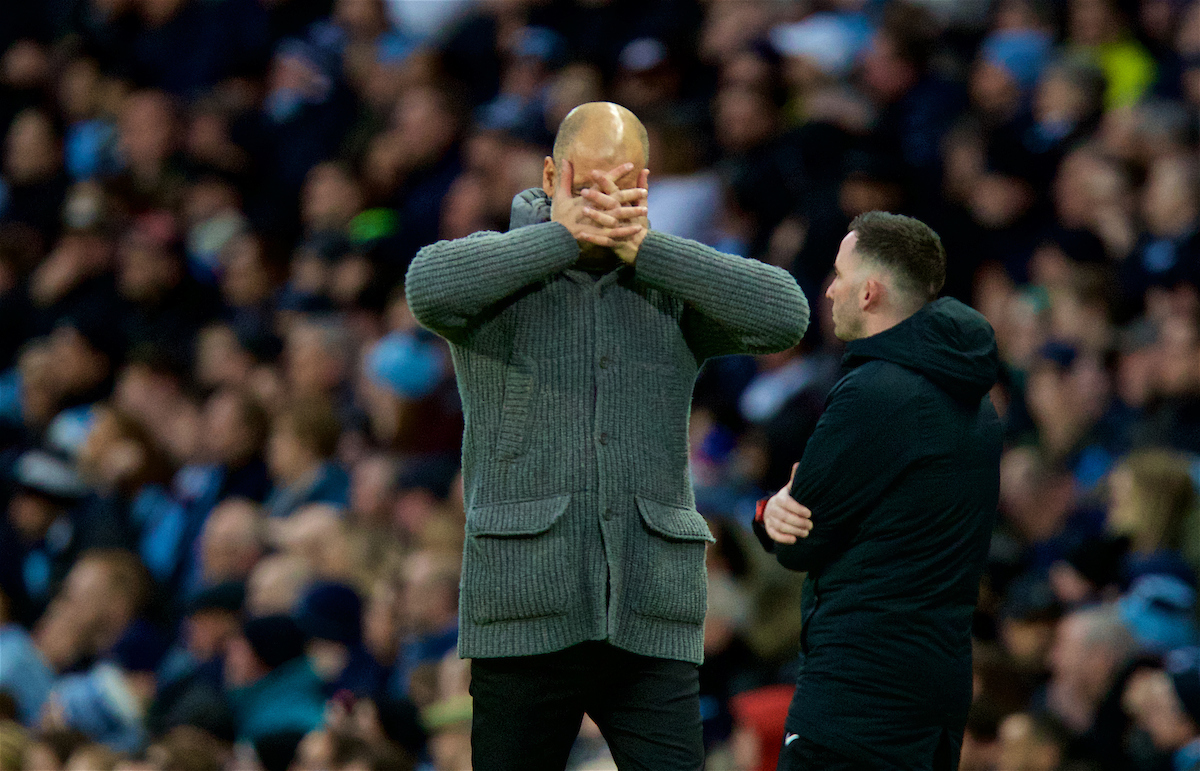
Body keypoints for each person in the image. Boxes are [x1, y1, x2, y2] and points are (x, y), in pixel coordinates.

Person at [405, 101, 809, 770]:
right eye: (585, 182)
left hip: (650, 606)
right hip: (524, 603)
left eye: (621, 184)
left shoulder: (668, 279)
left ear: (644, 186)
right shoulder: (497, 268)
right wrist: (560, 237)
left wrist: (646, 247)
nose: (601, 199)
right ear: (550, 175)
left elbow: (786, 314)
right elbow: (428, 287)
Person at [755, 211, 1002, 770]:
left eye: (839, 275)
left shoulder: (873, 393)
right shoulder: (979, 404)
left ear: (870, 292)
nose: (829, 288)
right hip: (934, 697)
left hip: (857, 700)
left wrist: (770, 511)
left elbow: (799, 541)